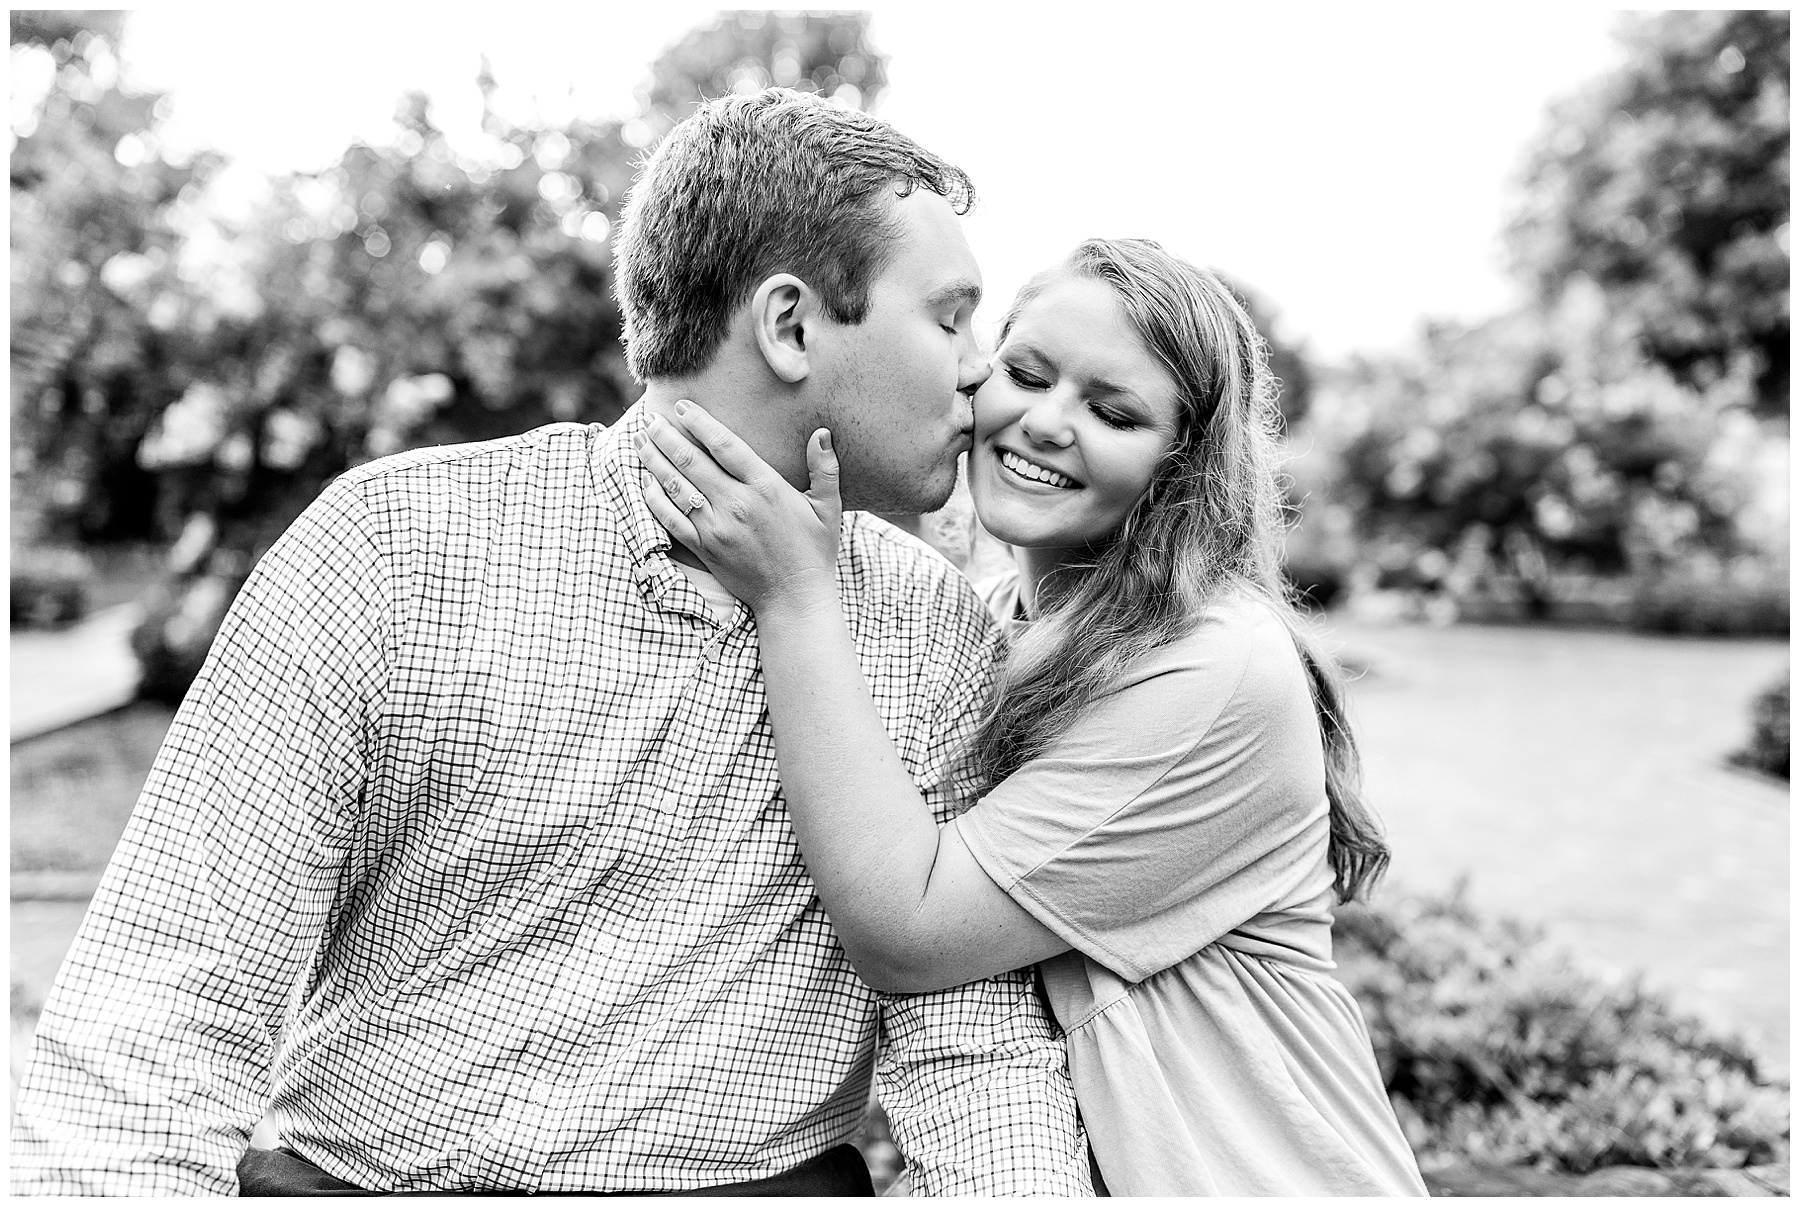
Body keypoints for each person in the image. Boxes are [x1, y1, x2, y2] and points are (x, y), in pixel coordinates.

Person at [10, 89, 1092, 1196]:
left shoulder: (932, 631)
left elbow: (974, 1059)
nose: (981, 369)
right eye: (950, 319)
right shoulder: (393, 546)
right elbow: (161, 1017)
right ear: (791, 326)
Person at [634, 237, 1432, 1195]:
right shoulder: (992, 620)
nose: (1047, 423)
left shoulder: (1214, 666)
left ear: (1182, 467)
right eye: (1027, 374)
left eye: (1114, 412)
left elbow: (911, 930)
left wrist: (796, 594)